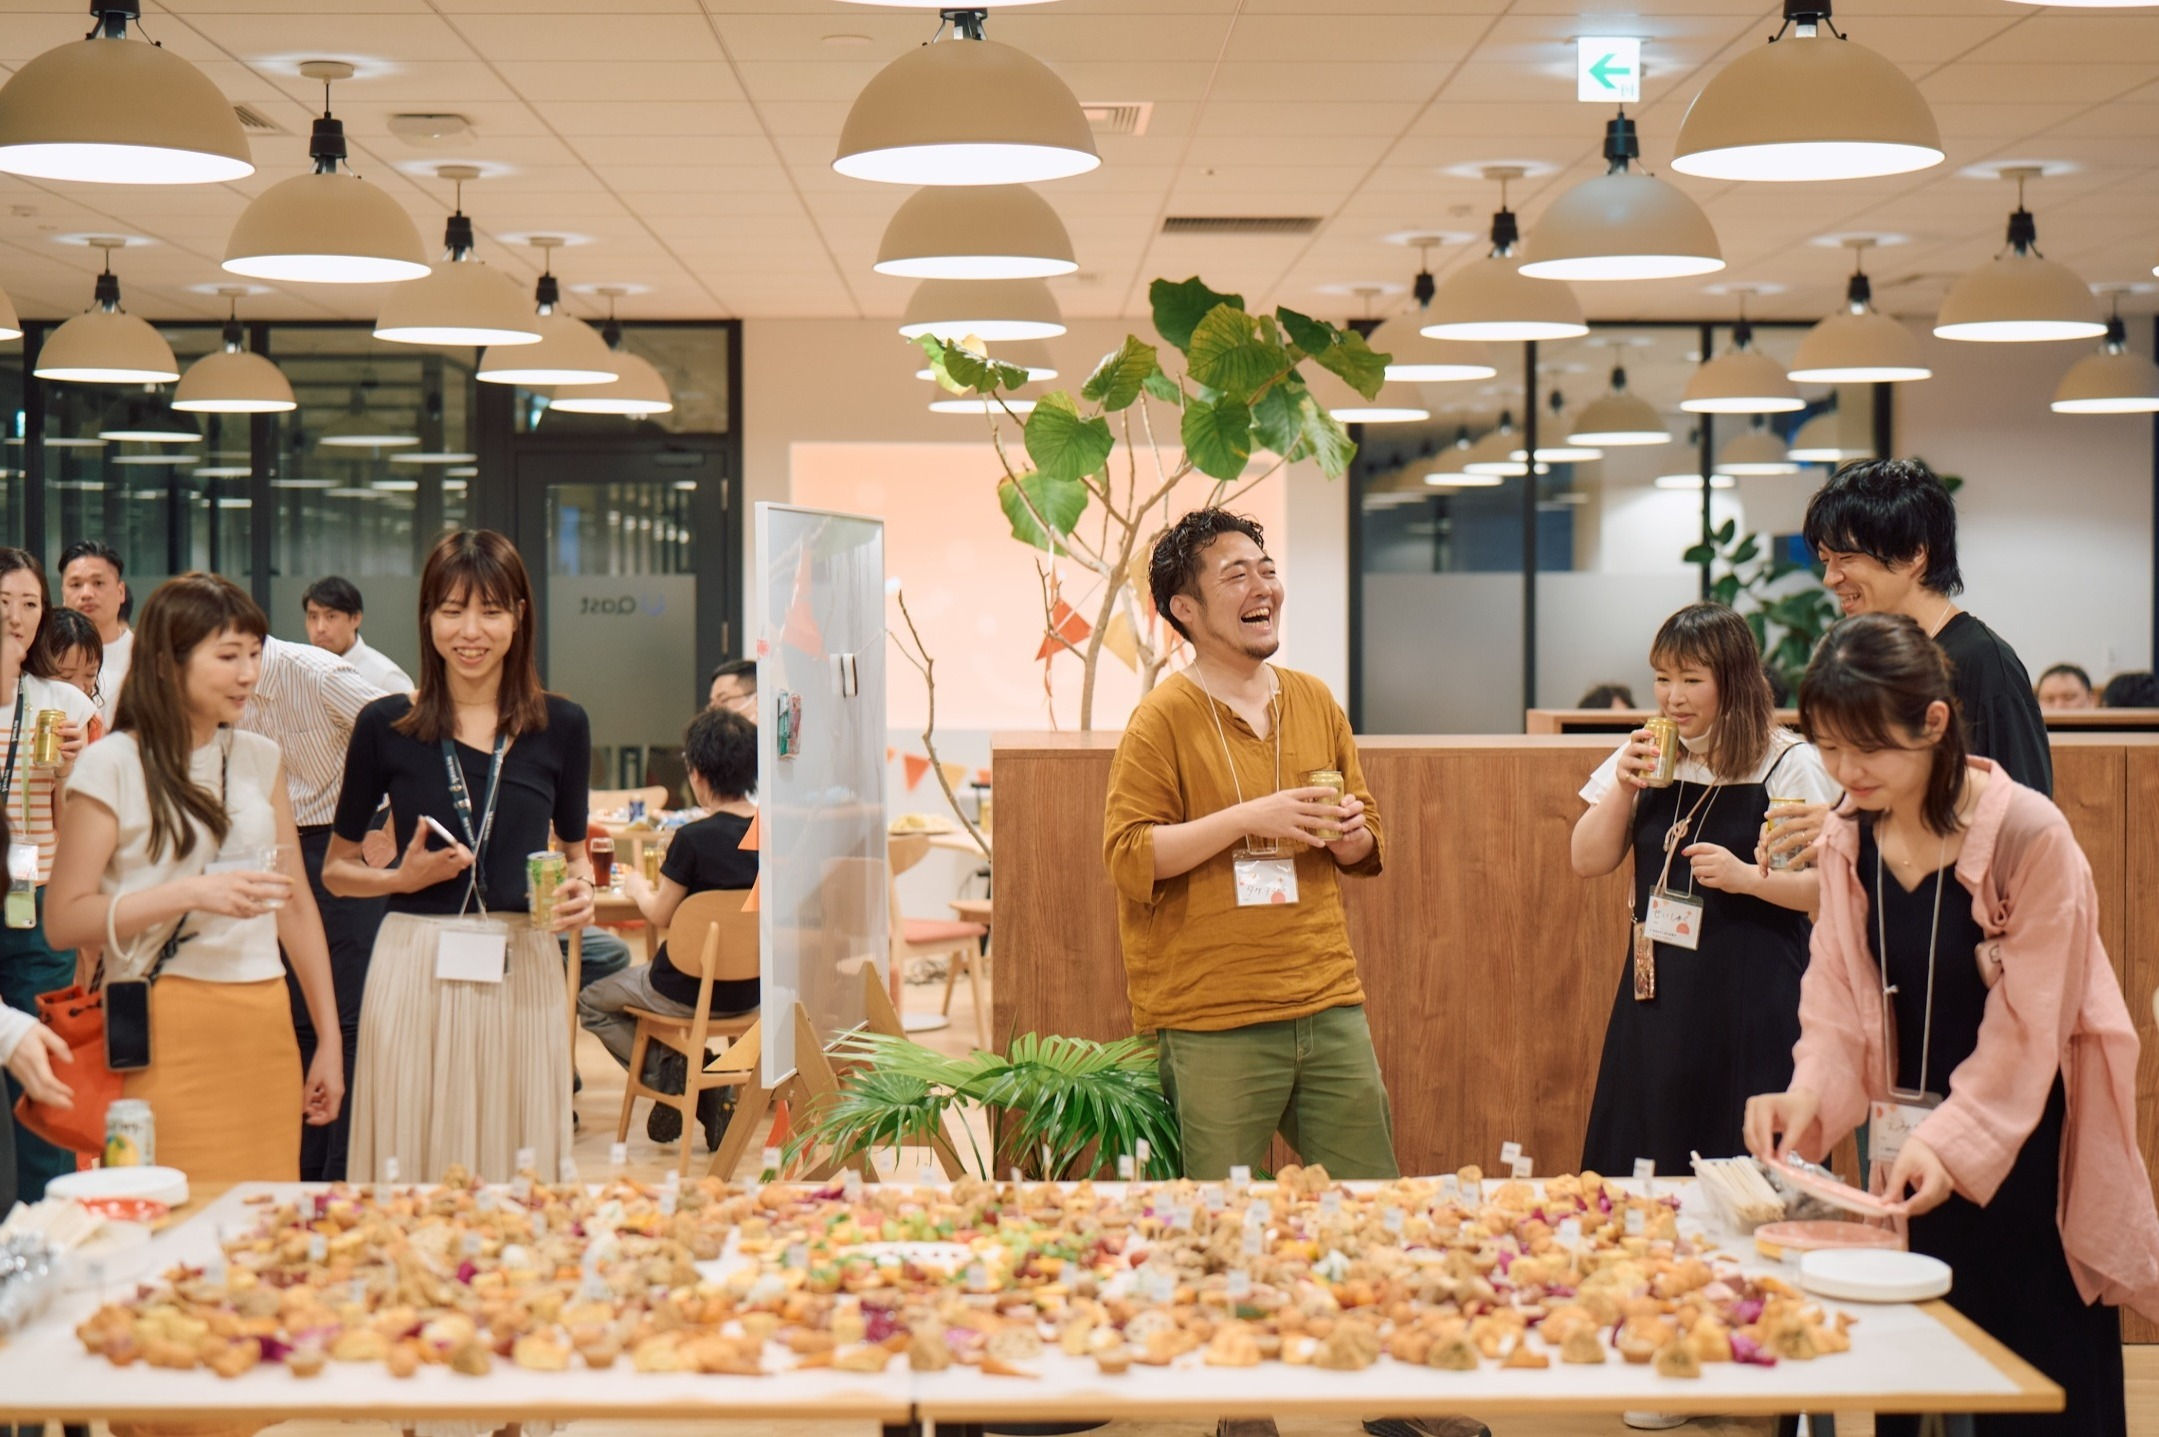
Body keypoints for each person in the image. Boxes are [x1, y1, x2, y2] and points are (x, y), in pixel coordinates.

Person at [1107, 510, 1479, 1437]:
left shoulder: (1313, 698)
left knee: (1370, 1207)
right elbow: (1129, 854)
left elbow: (1366, 837)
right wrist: (1249, 817)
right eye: (1234, 574)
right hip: (1211, 1012)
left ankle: (1394, 1394)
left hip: (1325, 992)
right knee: (1227, 1221)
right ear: (1184, 609)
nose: (1261, 585)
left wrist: (1351, 834)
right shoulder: (1161, 716)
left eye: (1265, 567)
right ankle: (1242, 1410)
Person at [1745, 613, 2157, 1437]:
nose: (1845, 772)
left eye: (1867, 748)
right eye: (1828, 747)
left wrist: (1952, 1141)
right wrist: (1804, 1095)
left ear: (1933, 722)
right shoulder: (1848, 835)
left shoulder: (2028, 834)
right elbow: (1834, 1000)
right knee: (1917, 1376)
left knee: (2030, 1380)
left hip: (2021, 1149)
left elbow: (2028, 1028)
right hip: (1908, 1152)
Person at [45, 574, 343, 1186]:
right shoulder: (112, 763)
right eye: (228, 656)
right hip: (162, 1020)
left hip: (265, 1020)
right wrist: (189, 893)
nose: (247, 674)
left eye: (254, 654)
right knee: (169, 1211)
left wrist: (330, 1041)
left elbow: (294, 907)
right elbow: (64, 918)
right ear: (167, 661)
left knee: (263, 1214)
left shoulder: (260, 757)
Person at [323, 530, 596, 1184]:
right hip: (414, 962)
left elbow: (575, 855)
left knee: (516, 1154)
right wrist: (400, 876)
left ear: (519, 616)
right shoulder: (385, 724)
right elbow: (335, 871)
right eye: (452, 610)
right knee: (413, 1151)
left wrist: (581, 890)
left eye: (491, 611)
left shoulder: (562, 725)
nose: (470, 631)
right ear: (428, 617)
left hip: (522, 962)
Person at [1570, 603, 1839, 1176]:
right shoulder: (1650, 751)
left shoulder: (1787, 762)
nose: (1674, 697)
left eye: (1692, 680)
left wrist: (1746, 879)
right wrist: (1624, 787)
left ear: (1734, 681)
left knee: (1742, 1169)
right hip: (1657, 993)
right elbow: (1586, 860)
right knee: (1646, 1155)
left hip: (1752, 997)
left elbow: (1827, 891)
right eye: (1663, 679)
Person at [1800, 459, 2051, 793]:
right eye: (1825, 561)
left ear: (1914, 554)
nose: (1831, 579)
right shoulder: (1873, 662)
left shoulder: (1985, 663)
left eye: (1847, 558)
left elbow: (2022, 808)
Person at [238, 635, 387, 1182]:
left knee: (346, 1017)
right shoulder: (227, 692)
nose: (233, 670)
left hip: (342, 842)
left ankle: (342, 1173)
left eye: (237, 654)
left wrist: (390, 828)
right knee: (299, 1014)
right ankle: (304, 1169)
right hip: (278, 843)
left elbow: (406, 731)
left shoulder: (318, 674)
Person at [576, 707, 756, 1150]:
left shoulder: (693, 839)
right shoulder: (775, 834)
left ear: (696, 774)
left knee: (592, 1000)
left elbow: (659, 914)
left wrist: (637, 885)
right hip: (751, 992)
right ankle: (698, 1079)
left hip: (685, 991)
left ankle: (684, 1075)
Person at [0, 550, 95, 1203]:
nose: (16, 616)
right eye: (4, 601)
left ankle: (51, 1214)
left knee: (47, 1071)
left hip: (32, 897)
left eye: (30, 603)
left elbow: (83, 817)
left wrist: (68, 769)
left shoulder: (61, 702)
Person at [59, 541, 131, 730]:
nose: (86, 594)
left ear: (121, 591)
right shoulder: (46, 656)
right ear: (63, 594)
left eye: (98, 583)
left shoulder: (145, 654)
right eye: (75, 584)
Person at [303, 575, 414, 693]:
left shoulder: (386, 678)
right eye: (313, 617)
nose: (320, 628)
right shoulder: (302, 669)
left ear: (355, 619)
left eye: (331, 617)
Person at [30, 607, 105, 730]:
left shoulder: (94, 722)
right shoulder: (18, 713)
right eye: (66, 676)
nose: (80, 688)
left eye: (90, 675)